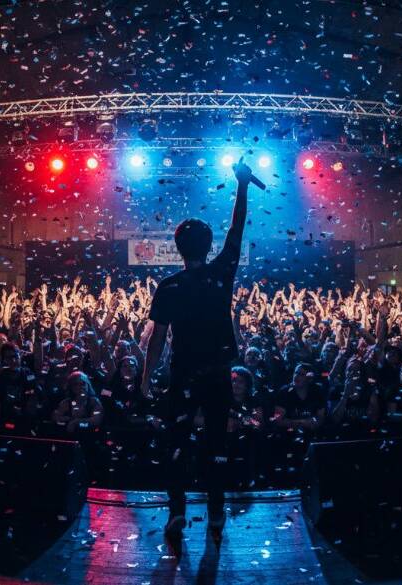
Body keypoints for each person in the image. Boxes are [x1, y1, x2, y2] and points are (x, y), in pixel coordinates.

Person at [141, 159, 255, 543]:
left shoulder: (169, 286)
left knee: (177, 443)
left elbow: (157, 340)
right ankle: (217, 511)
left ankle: (177, 512)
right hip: (218, 374)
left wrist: (146, 379)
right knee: (216, 444)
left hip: (183, 374)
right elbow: (237, 229)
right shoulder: (221, 272)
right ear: (209, 247)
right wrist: (242, 185)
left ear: (178, 248)